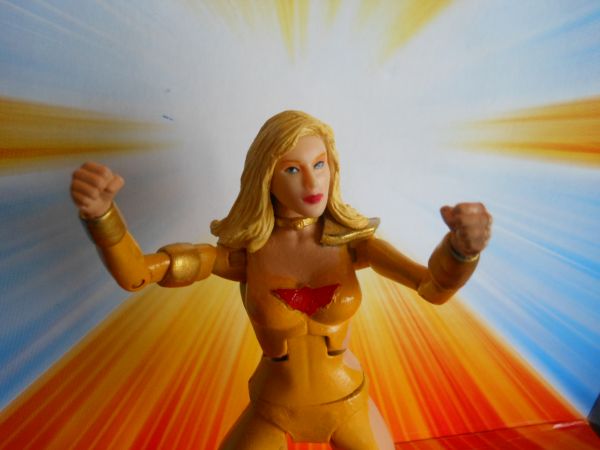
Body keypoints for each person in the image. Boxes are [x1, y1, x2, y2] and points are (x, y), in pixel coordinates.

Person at [71, 110, 492, 449]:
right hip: (273, 409)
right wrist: (103, 218)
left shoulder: (354, 247)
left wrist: (461, 251)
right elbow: (137, 276)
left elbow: (433, 289)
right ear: (266, 177)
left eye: (319, 164)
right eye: (292, 169)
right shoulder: (244, 255)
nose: (312, 182)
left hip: (348, 404)